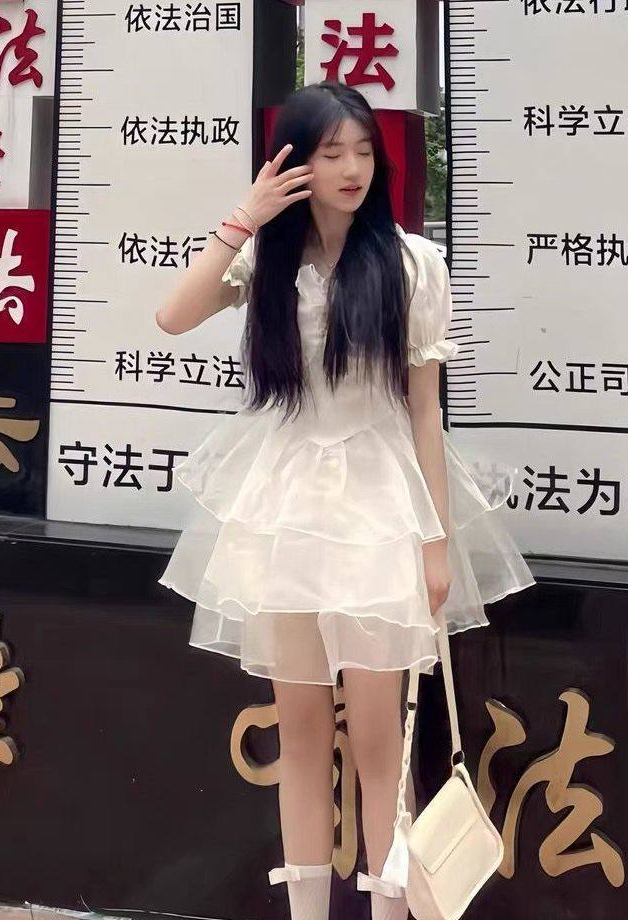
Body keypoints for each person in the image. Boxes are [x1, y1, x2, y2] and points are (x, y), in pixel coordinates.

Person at [155, 81, 536, 920]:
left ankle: (391, 911)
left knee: (377, 740)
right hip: (286, 502)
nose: (353, 168)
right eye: (332, 153)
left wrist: (434, 545)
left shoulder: (411, 263)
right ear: (296, 163)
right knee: (298, 735)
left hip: (378, 506)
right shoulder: (267, 261)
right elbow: (172, 316)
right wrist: (245, 218)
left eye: (363, 151)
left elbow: (426, 414)